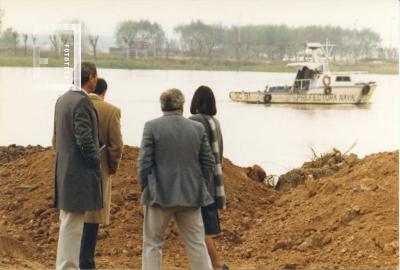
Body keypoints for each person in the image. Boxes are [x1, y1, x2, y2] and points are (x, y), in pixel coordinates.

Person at [138, 88, 215, 270]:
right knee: (196, 243)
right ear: (182, 105)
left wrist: (145, 188)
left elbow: (144, 163)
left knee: (152, 244)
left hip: (159, 196)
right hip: (191, 194)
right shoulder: (197, 128)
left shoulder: (151, 126)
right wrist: (200, 184)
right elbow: (208, 161)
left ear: (162, 106)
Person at [52, 62, 102, 270]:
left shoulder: (62, 100)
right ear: (90, 77)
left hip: (65, 171)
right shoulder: (81, 102)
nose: (97, 79)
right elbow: (84, 138)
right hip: (78, 174)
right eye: (95, 76)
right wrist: (95, 159)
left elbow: (57, 137)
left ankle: (64, 266)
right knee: (73, 227)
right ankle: (67, 267)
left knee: (68, 224)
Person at [79, 78, 124, 269]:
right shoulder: (111, 110)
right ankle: (87, 261)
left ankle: (70, 259)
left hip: (74, 169)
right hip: (99, 168)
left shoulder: (72, 105)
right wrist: (111, 167)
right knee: (93, 217)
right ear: (104, 92)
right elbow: (116, 146)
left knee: (74, 216)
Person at [189, 85, 228, 270]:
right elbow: (218, 154)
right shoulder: (216, 123)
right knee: (205, 226)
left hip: (199, 182)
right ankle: (214, 263)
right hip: (214, 182)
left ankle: (216, 264)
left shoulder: (193, 122)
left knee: (199, 227)